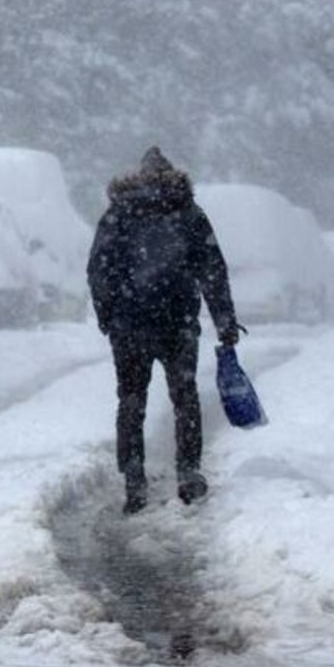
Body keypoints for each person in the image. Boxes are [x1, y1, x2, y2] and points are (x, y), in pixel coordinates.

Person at [87, 146, 239, 514]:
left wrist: (108, 316)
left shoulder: (118, 213)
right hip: (178, 323)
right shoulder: (187, 213)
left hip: (129, 325)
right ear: (173, 176)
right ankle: (187, 473)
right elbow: (212, 270)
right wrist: (225, 320)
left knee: (131, 400)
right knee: (185, 398)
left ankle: (134, 477)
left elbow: (99, 269)